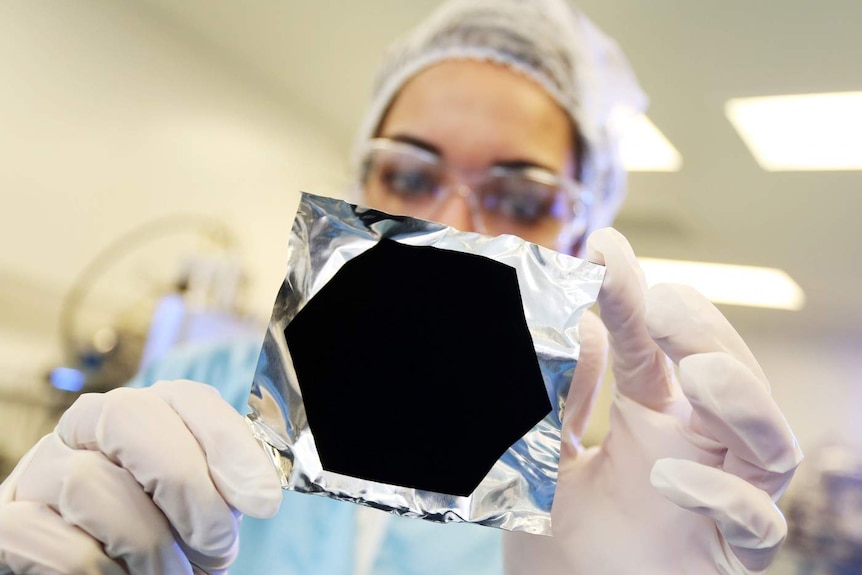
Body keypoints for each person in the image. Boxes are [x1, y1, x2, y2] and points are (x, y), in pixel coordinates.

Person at [0, 0, 803, 574]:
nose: (453, 220)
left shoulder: (615, 486)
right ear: (362, 179)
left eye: (519, 195)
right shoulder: (202, 387)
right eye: (409, 172)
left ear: (584, 224)